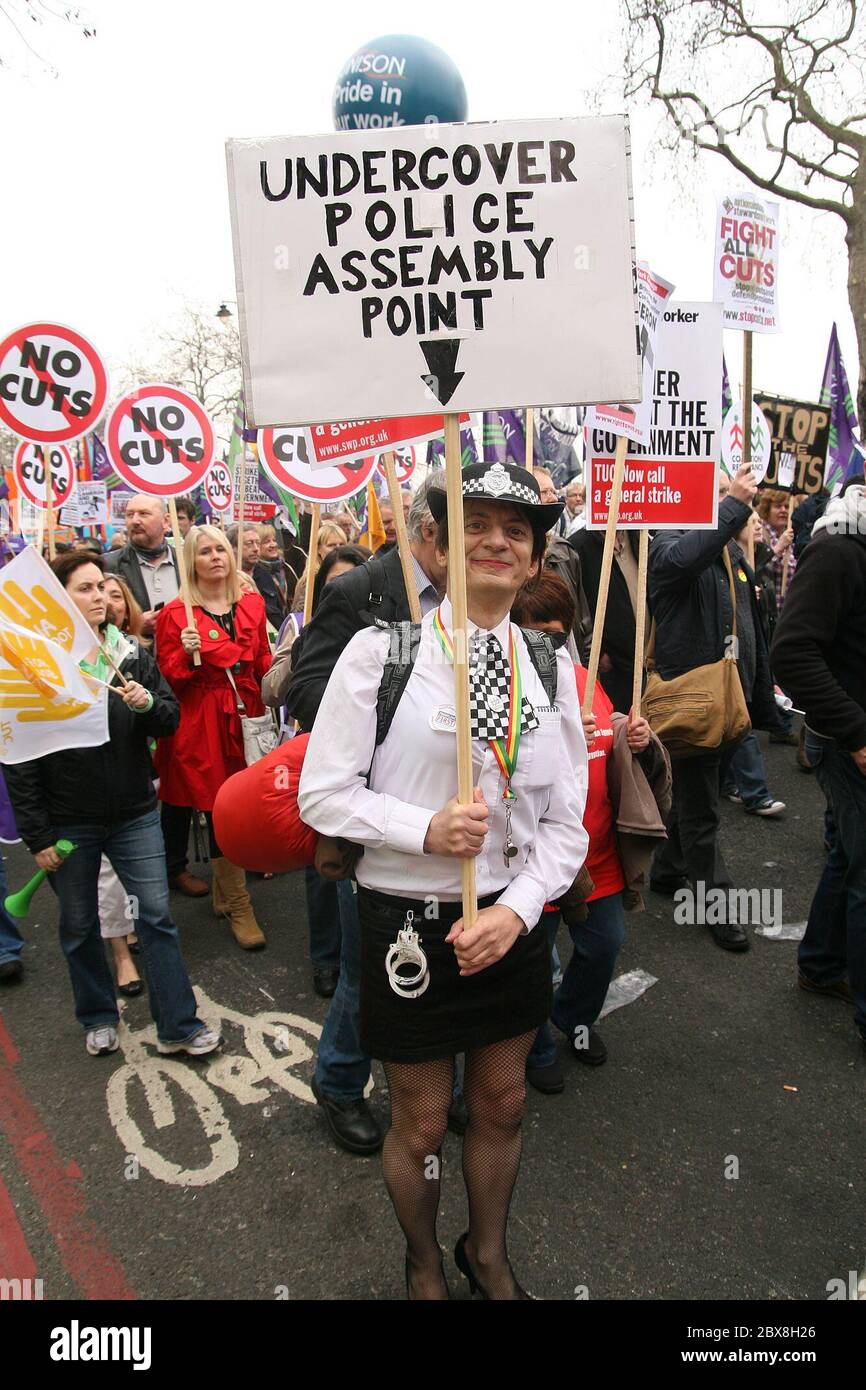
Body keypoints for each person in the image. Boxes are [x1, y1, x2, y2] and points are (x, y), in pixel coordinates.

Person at [299, 460, 587, 1299]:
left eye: (518, 531)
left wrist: (522, 909)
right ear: (437, 543)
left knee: (501, 1104)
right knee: (422, 1122)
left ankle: (486, 1253)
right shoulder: (380, 653)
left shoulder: (550, 664)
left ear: (534, 561)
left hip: (511, 922)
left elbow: (567, 821)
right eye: (476, 523)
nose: (497, 540)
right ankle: (423, 1259)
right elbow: (323, 794)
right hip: (405, 927)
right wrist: (419, 828)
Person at [285, 473, 447, 1156]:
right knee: (370, 967)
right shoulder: (360, 589)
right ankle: (341, 1081)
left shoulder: (477, 594)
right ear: (430, 529)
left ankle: (444, 1086)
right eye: (475, 525)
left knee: (441, 962)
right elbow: (304, 686)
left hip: (448, 814)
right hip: (373, 813)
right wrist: (387, 697)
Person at [3, 551, 219, 1058]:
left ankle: (178, 1026)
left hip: (135, 815)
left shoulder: (129, 655)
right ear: (58, 600)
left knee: (155, 916)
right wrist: (37, 837)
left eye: (102, 586)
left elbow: (168, 719)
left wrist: (149, 705)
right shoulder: (35, 670)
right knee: (80, 926)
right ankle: (98, 1016)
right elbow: (19, 758)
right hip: (67, 825)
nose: (99, 596)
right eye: (84, 588)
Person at [513, 573, 655, 1091]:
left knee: (604, 944)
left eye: (559, 634)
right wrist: (553, 731)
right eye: (537, 635)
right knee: (531, 962)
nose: (550, 646)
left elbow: (606, 729)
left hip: (596, 853)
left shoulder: (581, 674)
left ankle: (573, 1019)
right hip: (537, 858)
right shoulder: (503, 682)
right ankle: (536, 1046)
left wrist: (626, 730)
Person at [647, 461, 786, 951]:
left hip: (732, 702)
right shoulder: (668, 540)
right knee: (703, 809)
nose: (727, 498)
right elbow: (681, 561)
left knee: (693, 799)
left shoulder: (728, 548)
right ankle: (719, 908)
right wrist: (732, 508)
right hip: (696, 704)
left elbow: (752, 626)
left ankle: (666, 870)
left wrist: (761, 698)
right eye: (717, 491)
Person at [772, 477, 866, 1050]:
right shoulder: (838, 548)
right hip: (850, 743)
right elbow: (791, 650)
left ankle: (822, 963)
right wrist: (855, 731)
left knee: (848, 857)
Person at [155, 525, 272, 950]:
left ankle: (225, 892)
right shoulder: (176, 615)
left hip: (246, 711)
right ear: (192, 561)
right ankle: (240, 903)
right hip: (202, 719)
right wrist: (184, 655)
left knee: (242, 801)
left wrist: (281, 676)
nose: (215, 557)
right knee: (216, 807)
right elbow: (168, 683)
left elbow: (260, 657)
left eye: (220, 549)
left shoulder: (253, 605)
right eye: (204, 552)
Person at [262, 543, 370, 1000]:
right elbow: (271, 691)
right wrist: (302, 652)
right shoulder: (301, 628)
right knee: (323, 863)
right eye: (333, 587)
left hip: (372, 760)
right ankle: (326, 957)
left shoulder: (389, 629)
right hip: (316, 756)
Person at [719, 504, 786, 819]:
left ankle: (728, 781)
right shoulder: (723, 556)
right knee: (740, 720)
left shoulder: (749, 557)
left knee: (733, 723)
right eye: (753, 521)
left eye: (760, 521)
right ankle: (756, 793)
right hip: (731, 651)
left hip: (751, 649)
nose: (758, 525)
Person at [570, 526, 645, 714]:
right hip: (612, 662)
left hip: (646, 656)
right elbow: (581, 603)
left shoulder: (639, 535)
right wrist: (599, 649)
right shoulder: (580, 545)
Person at [104, 495, 180, 639]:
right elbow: (97, 625)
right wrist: (134, 626)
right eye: (130, 515)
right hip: (134, 657)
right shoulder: (108, 566)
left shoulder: (187, 563)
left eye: (144, 514)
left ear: (166, 521)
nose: (135, 521)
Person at [225, 522, 285, 633]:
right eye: (249, 543)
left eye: (257, 543)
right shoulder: (224, 579)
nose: (256, 548)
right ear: (232, 547)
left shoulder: (265, 575)